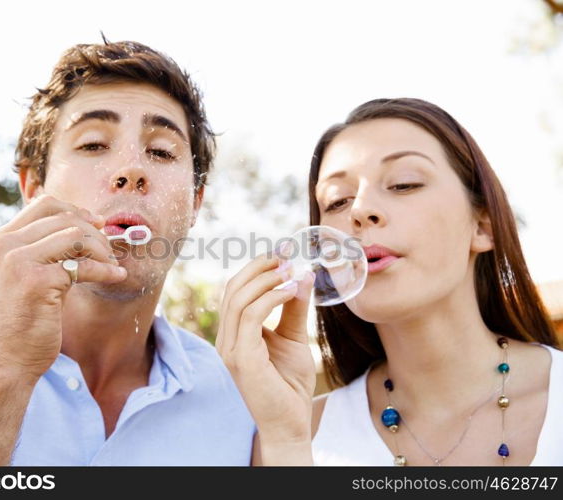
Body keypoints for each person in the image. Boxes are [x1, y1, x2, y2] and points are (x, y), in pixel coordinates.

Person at [0, 40, 254, 465]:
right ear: (33, 189)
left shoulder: (241, 401)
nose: (131, 170)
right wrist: (4, 366)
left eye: (160, 151)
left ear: (195, 203)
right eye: (92, 145)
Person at [216, 98, 563, 466]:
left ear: (482, 226)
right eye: (337, 201)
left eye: (403, 184)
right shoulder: (295, 436)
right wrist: (286, 442)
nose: (360, 210)